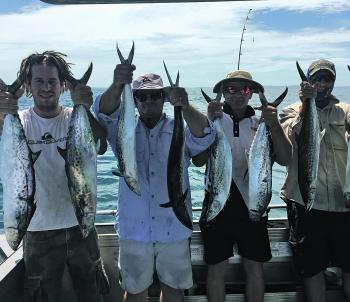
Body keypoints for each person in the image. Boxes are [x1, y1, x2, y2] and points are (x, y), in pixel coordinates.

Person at [92, 62, 216, 302]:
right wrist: (119, 83)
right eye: (141, 96)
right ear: (135, 100)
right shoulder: (122, 129)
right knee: (135, 291)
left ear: (164, 97)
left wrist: (185, 105)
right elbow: (103, 111)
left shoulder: (179, 126)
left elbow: (206, 134)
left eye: (156, 95)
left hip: (174, 227)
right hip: (133, 229)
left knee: (173, 290)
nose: (149, 100)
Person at [0, 51, 108, 302]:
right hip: (37, 232)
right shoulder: (20, 122)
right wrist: (3, 112)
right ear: (27, 85)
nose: (46, 87)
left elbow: (101, 145)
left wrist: (83, 106)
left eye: (52, 81)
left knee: (92, 294)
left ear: (63, 86)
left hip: (82, 225)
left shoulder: (74, 117)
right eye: (39, 81)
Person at [192, 70, 292, 302]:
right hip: (217, 205)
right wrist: (209, 125)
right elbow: (197, 161)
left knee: (255, 269)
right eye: (231, 89)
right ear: (224, 92)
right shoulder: (211, 119)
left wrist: (274, 124)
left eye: (244, 89)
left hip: (254, 205)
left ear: (253, 93)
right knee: (216, 270)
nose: (237, 94)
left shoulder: (261, 123)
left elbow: (286, 159)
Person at [279, 59, 350, 302]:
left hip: (344, 204)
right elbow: (289, 140)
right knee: (311, 268)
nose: (322, 84)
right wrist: (306, 103)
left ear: (333, 82)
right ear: (307, 82)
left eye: (327, 79)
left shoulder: (346, 110)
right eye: (316, 79)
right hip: (306, 204)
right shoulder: (291, 110)